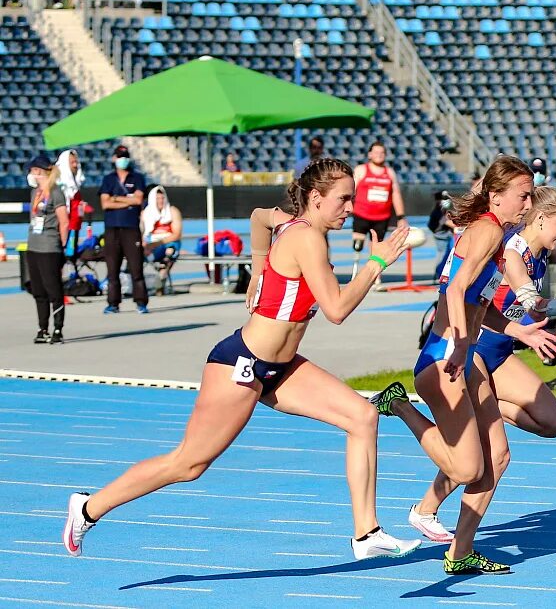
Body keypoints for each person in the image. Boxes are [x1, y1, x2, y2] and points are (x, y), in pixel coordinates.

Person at [63, 158, 421, 561]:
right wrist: (375, 264)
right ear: (316, 198)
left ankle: (366, 532)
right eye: (343, 199)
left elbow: (257, 218)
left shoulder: (289, 222)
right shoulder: (306, 239)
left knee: (362, 416)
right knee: (189, 464)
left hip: (282, 368)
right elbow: (336, 309)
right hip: (243, 364)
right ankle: (88, 509)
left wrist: (258, 267)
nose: (351, 207)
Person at [367, 156, 552, 575]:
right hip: (444, 359)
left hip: (461, 358)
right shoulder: (487, 229)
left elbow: (476, 304)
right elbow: (455, 290)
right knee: (469, 467)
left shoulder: (497, 234)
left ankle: (460, 551)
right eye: (523, 195)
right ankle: (397, 404)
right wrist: (462, 341)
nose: (528, 204)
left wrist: (519, 331)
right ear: (496, 195)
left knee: (498, 457)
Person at [407, 186, 556, 543]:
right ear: (540, 219)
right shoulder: (511, 245)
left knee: (553, 423)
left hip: (500, 352)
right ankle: (455, 540)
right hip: (475, 350)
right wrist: (533, 301)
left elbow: (507, 306)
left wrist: (527, 331)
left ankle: (428, 511)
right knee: (492, 456)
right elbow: (514, 278)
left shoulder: (542, 255)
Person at [99, 145, 149, 314]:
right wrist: (127, 199)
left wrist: (116, 199)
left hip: (131, 227)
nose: (123, 159)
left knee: (136, 267)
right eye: (120, 156)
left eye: (125, 156)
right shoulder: (108, 179)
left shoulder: (137, 177)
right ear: (114, 158)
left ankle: (141, 302)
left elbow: (138, 200)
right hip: (112, 228)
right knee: (112, 268)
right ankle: (113, 303)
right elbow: (105, 203)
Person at [351, 141, 407, 286]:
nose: (379, 155)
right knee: (358, 244)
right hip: (362, 214)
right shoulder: (361, 170)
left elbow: (395, 194)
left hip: (381, 217)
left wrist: (401, 216)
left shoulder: (389, 173)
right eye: (376, 152)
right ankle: (354, 274)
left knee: (376, 247)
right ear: (370, 154)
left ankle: (376, 278)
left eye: (382, 153)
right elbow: (352, 190)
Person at [25, 155, 69, 344]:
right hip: (34, 245)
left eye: (33, 170)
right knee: (38, 290)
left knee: (53, 289)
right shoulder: (35, 193)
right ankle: (42, 327)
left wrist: (62, 246)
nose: (30, 174)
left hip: (50, 247)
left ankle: (58, 328)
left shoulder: (56, 192)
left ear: (40, 171)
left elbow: (64, 222)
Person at [141, 185, 183, 294]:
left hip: (167, 242)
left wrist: (157, 243)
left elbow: (177, 234)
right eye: (157, 199)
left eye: (162, 198)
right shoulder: (146, 214)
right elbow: (141, 232)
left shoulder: (173, 211)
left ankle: (162, 276)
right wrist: (145, 244)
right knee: (138, 253)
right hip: (151, 244)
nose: (160, 201)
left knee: (170, 250)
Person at [55, 150, 86, 255]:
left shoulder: (76, 184)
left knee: (72, 255)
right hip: (64, 227)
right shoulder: (60, 184)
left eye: (76, 162)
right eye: (72, 162)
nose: (75, 165)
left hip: (75, 226)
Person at [428, 190, 456, 281]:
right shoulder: (438, 211)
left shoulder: (442, 210)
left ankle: (440, 274)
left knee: (446, 254)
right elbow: (447, 222)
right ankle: (439, 274)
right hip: (441, 235)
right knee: (443, 254)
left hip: (444, 233)